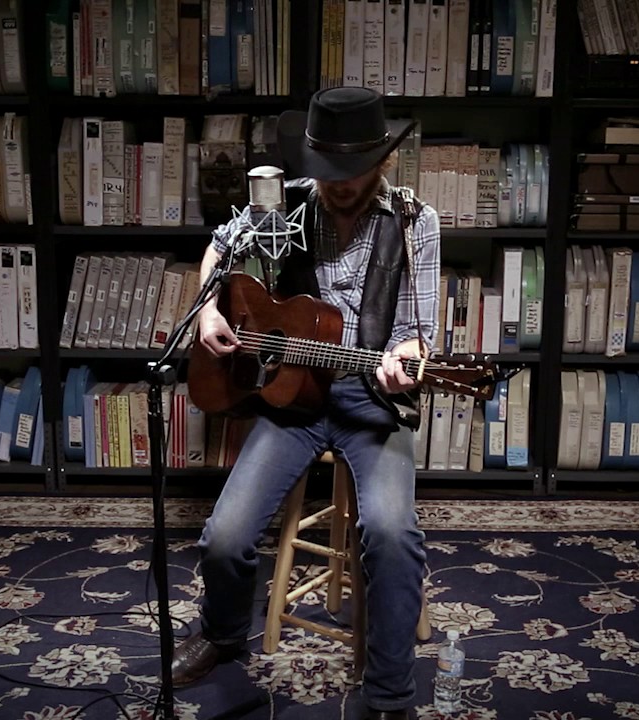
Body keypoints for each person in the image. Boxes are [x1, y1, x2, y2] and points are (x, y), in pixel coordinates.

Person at [170, 87, 442, 720]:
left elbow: (420, 333)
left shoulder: (413, 221)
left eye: (352, 172)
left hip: (372, 395)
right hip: (291, 395)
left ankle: (390, 694)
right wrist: (210, 310)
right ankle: (222, 631)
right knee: (224, 538)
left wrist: (407, 363)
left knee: (393, 536)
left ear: (381, 162)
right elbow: (217, 251)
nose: (338, 185)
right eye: (328, 172)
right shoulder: (281, 204)